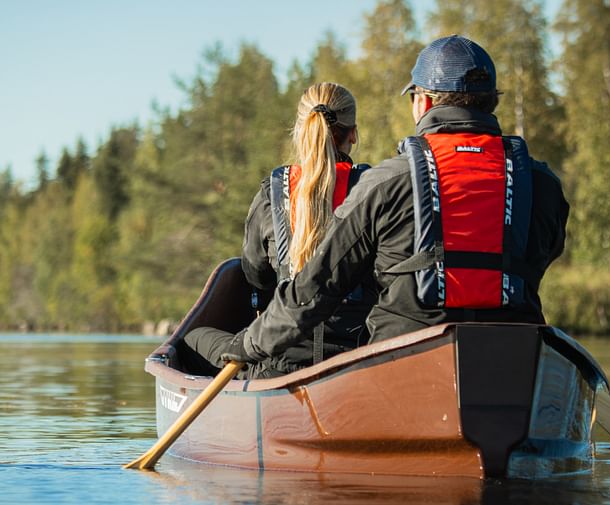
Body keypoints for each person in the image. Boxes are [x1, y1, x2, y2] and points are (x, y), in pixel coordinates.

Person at [215, 35, 569, 366]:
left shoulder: (385, 183)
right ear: (492, 100)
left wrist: (246, 346)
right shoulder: (543, 184)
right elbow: (544, 255)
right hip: (514, 356)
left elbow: (315, 289)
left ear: (423, 102)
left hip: (406, 360)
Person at [179, 82, 377, 378]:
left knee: (189, 340)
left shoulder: (272, 194)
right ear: (353, 133)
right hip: (356, 358)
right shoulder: (375, 189)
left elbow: (255, 273)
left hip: (280, 365)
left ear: (300, 129)